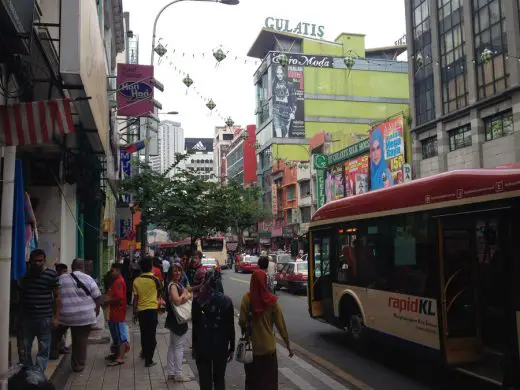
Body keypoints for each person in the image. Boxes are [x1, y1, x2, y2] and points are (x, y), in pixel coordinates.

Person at [239, 270, 293, 390]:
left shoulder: (247, 298)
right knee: (269, 382)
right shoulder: (272, 300)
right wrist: (287, 344)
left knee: (253, 382)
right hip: (269, 348)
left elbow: (242, 321)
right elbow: (281, 324)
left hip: (252, 349)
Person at [53, 258, 101, 372]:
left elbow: (55, 295)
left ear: (72, 266)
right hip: (84, 316)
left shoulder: (62, 278)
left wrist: (55, 314)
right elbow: (97, 296)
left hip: (65, 315)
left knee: (54, 334)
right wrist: (97, 310)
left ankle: (53, 353)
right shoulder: (88, 278)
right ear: (83, 267)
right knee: (80, 341)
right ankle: (78, 365)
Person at [193, 269, 235, 390]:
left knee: (205, 380)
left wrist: (194, 346)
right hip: (220, 345)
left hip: (202, 345)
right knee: (219, 379)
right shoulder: (227, 301)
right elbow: (230, 326)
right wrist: (231, 347)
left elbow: (196, 326)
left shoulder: (197, 300)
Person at [19, 249, 60, 372]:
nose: (37, 263)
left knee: (44, 347)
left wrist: (56, 317)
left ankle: (39, 374)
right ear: (30, 261)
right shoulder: (25, 276)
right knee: (25, 347)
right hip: (28, 318)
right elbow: (21, 296)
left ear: (44, 260)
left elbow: (57, 297)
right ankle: (28, 372)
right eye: (35, 261)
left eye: (40, 261)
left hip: (45, 318)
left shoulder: (52, 275)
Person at [165, 264, 193, 382]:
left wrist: (186, 294)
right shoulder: (173, 286)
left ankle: (171, 372)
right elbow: (177, 301)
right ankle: (179, 374)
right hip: (178, 320)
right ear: (171, 273)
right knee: (178, 347)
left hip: (174, 319)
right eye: (175, 271)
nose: (177, 273)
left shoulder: (175, 284)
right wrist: (185, 295)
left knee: (173, 346)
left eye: (179, 271)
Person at [133, 257, 161, 367]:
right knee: (152, 336)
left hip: (141, 311)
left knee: (143, 334)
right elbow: (159, 292)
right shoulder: (155, 279)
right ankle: (149, 360)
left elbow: (135, 299)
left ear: (141, 268)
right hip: (152, 310)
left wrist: (134, 313)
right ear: (151, 267)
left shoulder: (136, 280)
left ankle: (144, 354)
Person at [104, 263, 129, 366]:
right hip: (114, 314)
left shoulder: (119, 282)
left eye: (113, 270)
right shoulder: (116, 281)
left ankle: (120, 358)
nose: (111, 272)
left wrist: (108, 300)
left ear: (118, 271)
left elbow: (119, 298)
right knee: (116, 335)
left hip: (118, 313)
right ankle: (117, 354)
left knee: (120, 335)